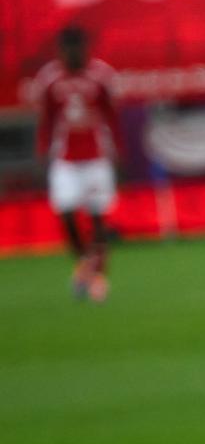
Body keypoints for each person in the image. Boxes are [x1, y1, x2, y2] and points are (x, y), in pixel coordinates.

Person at [23, 25, 123, 303]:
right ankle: (84, 265)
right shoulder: (50, 79)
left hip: (97, 157)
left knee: (98, 218)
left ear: (85, 49)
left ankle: (97, 276)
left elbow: (111, 116)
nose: (73, 55)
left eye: (77, 49)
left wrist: (118, 153)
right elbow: (46, 121)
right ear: (60, 51)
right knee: (66, 213)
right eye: (68, 49)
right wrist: (42, 153)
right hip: (65, 159)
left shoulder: (101, 76)